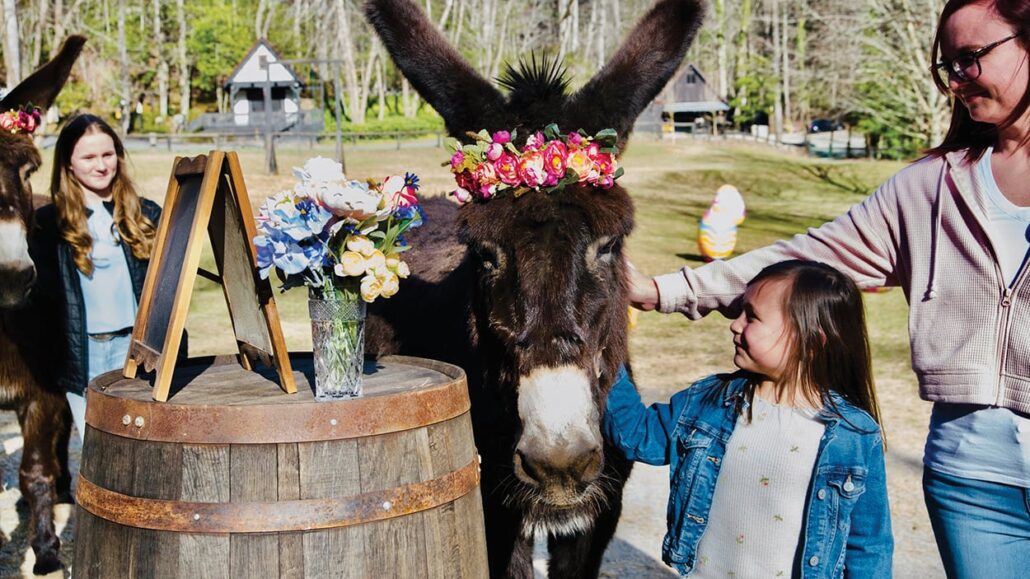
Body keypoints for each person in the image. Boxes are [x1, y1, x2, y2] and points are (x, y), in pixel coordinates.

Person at [626, 0, 1029, 576]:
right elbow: (799, 263)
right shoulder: (931, 188)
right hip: (974, 482)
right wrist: (663, 290)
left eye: (972, 56)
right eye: (948, 65)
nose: (957, 79)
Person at [606, 260, 892, 578]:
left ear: (811, 342)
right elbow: (635, 434)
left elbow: (869, 544)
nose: (735, 324)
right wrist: (604, 349)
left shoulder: (854, 435)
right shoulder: (709, 402)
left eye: (751, 316)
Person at [32, 114, 160, 439]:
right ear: (68, 163)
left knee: (143, 445)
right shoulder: (49, 224)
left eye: (107, 154)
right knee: (97, 448)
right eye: (89, 157)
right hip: (83, 354)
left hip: (136, 352)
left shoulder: (146, 214)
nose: (101, 165)